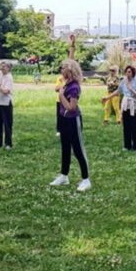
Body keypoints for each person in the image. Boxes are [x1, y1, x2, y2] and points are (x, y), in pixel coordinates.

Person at [50, 58, 92, 191]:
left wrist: (61, 96)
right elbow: (71, 58)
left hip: (73, 120)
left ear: (70, 70)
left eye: (63, 68)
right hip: (64, 119)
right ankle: (64, 175)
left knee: (78, 150)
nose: (61, 70)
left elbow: (71, 107)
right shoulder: (66, 82)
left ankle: (86, 179)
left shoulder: (74, 87)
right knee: (65, 148)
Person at [103, 65, 136, 151]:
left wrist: (131, 89)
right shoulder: (123, 81)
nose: (128, 73)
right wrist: (107, 97)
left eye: (129, 72)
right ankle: (127, 145)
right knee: (126, 126)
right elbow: (117, 91)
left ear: (133, 73)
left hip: (134, 106)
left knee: (134, 127)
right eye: (126, 72)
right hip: (125, 106)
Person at [0, 61, 14, 149]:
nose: (2, 68)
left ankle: (8, 144)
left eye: (4, 66)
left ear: (8, 68)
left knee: (7, 124)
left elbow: (6, 91)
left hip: (5, 104)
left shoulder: (9, 77)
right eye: (1, 66)